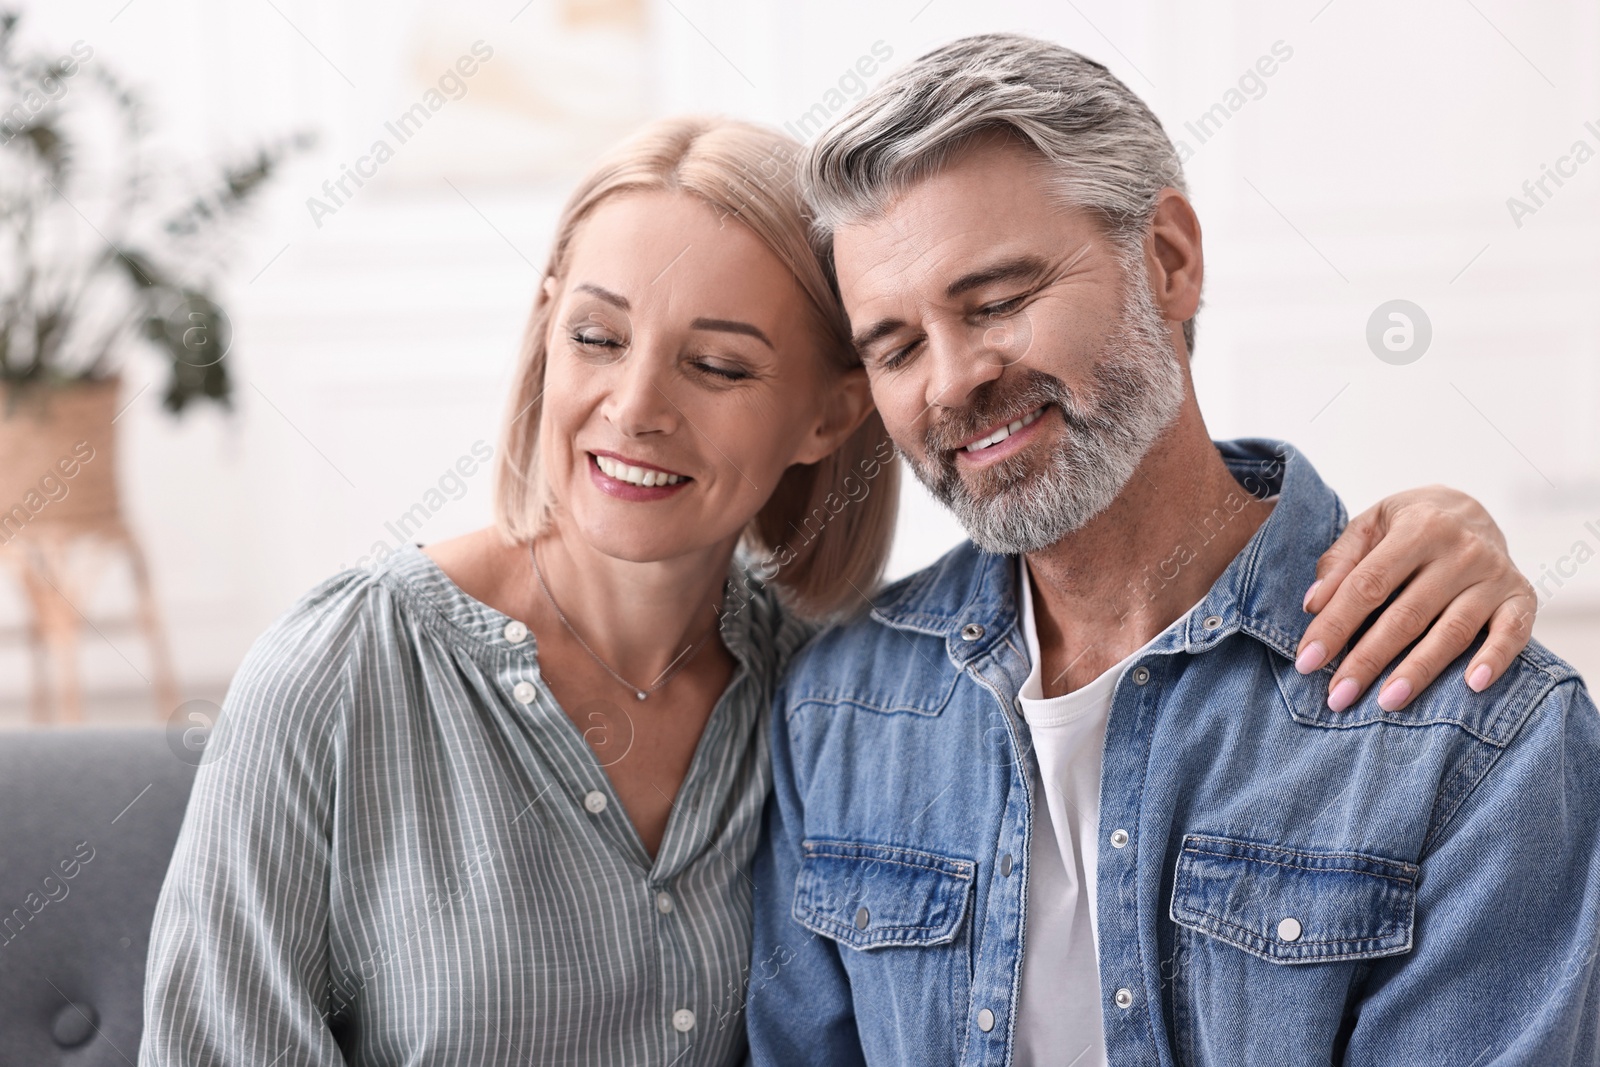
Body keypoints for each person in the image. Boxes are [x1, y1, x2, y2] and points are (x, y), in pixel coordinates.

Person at [141, 115, 1535, 1066]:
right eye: (596, 335)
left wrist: (1431, 529)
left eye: (720, 363)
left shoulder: (839, 699)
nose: (633, 409)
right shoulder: (342, 676)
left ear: (828, 413)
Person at [744, 34, 1597, 1067]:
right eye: (897, 345)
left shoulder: (1478, 735)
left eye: (999, 300)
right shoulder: (838, 708)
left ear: (1168, 260)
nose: (951, 381)